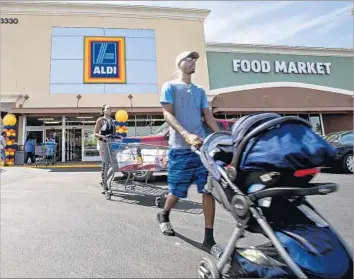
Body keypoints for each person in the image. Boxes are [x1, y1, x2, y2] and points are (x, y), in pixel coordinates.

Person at [157, 51, 223, 259]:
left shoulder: (200, 91)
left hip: (202, 150)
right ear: (180, 63)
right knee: (176, 192)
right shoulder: (170, 86)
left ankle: (209, 239)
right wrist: (185, 134)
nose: (193, 62)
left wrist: (223, 136)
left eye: (195, 59)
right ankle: (164, 214)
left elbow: (208, 116)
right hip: (179, 148)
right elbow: (167, 113)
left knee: (208, 190)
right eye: (189, 59)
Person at [94, 104, 116, 193]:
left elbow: (114, 134)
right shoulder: (100, 120)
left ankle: (104, 181)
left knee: (115, 165)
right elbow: (95, 133)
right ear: (103, 110)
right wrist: (103, 137)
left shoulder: (112, 121)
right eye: (108, 108)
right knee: (106, 164)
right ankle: (105, 187)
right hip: (103, 144)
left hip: (111, 144)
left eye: (111, 108)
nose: (110, 110)